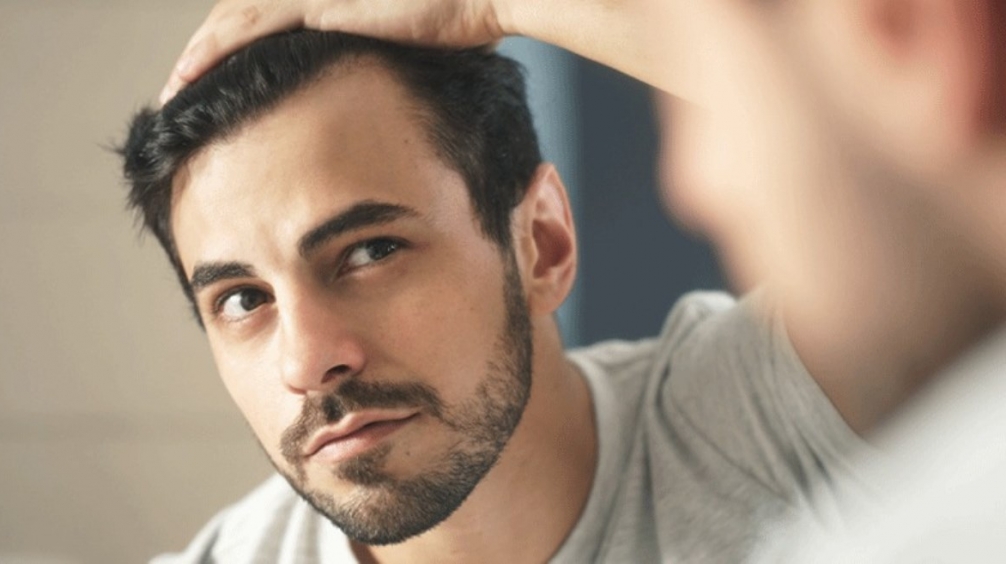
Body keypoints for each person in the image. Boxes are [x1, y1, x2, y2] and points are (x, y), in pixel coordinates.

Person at [163, 0, 1006, 560]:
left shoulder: (774, 408)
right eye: (242, 299)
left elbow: (930, 130)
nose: (307, 360)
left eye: (371, 251)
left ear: (543, 242)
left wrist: (494, 3)